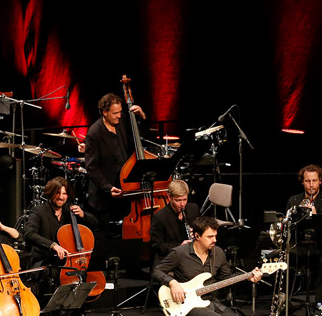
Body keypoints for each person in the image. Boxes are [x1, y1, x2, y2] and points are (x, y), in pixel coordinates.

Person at [24, 177, 99, 295]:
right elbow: (29, 234)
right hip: (44, 261)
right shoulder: (38, 211)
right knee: (56, 273)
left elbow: (95, 223)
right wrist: (53, 245)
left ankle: (78, 311)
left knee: (88, 274)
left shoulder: (69, 212)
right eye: (57, 193)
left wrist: (83, 214)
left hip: (67, 261)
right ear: (50, 193)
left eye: (64, 193)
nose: (61, 197)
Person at [84, 92, 146, 230]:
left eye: (120, 112)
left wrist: (140, 117)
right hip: (105, 196)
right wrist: (108, 187)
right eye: (115, 113)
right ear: (105, 112)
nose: (119, 115)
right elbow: (91, 167)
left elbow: (139, 137)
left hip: (124, 190)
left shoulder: (121, 120)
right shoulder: (94, 133)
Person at [285, 164, 322, 311]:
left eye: (314, 181)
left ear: (320, 181)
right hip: (301, 245)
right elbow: (289, 227)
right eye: (308, 181)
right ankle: (285, 300)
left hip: (320, 246)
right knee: (286, 257)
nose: (311, 185)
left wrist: (315, 216)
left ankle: (319, 301)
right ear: (302, 182)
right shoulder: (294, 200)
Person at [149, 179, 199, 262]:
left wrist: (197, 234)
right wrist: (180, 246)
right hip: (171, 258)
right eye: (178, 200)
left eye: (185, 199)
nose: (182, 204)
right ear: (169, 197)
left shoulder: (193, 209)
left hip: (192, 256)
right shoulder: (160, 217)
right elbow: (156, 245)